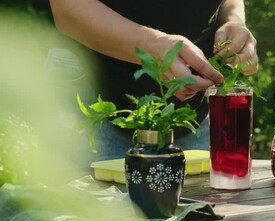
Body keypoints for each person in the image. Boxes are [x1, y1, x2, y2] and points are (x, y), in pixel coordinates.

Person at [48, 0, 259, 160]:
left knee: (206, 215)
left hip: (194, 117)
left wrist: (233, 20)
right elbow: (67, 9)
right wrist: (152, 46)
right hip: (91, 102)